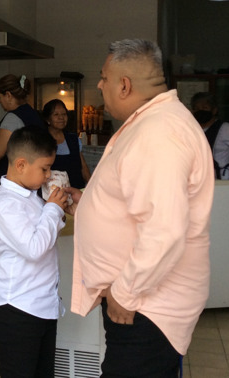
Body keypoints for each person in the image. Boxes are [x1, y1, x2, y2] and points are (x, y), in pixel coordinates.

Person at [71, 39, 214, 377]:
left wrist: (125, 292)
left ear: (124, 85)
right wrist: (91, 206)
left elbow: (164, 229)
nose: (99, 85)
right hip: (142, 304)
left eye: (104, 78)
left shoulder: (159, 133)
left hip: (146, 308)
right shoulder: (151, 123)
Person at [0, 126, 78, 378]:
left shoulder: (32, 197)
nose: (48, 176)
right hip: (17, 307)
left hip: (42, 304)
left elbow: (45, 237)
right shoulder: (5, 203)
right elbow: (35, 248)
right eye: (44, 169)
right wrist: (52, 210)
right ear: (20, 165)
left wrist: (61, 209)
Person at [190, 91, 229, 180]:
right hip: (198, 178)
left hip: (220, 179)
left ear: (214, 110)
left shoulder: (224, 129)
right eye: (197, 109)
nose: (201, 111)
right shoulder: (191, 129)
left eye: (205, 108)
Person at [0, 74, 46, 178]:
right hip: (34, 174)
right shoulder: (32, 113)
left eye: (0, 97)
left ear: (8, 95)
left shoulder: (12, 118)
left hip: (17, 178)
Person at [42, 98, 91, 188]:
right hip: (53, 192)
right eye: (56, 114)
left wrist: (91, 186)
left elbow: (83, 166)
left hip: (76, 190)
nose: (61, 117)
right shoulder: (41, 140)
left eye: (64, 114)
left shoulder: (73, 139)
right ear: (47, 119)